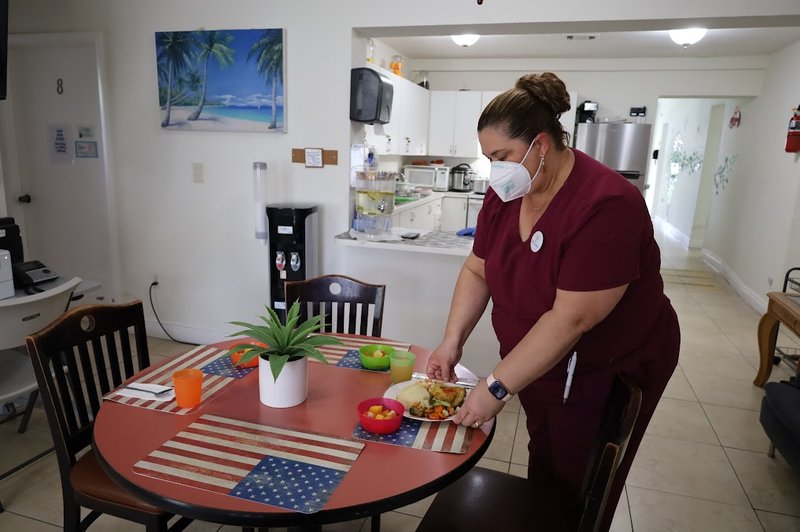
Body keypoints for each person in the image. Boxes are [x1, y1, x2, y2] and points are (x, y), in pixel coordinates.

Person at [426, 72, 680, 531]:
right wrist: (451, 342)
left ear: (541, 144)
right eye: (489, 159)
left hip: (607, 363)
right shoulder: (507, 194)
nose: (494, 170)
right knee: (545, 455)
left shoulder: (608, 205)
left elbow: (571, 319)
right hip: (542, 359)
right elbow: (477, 269)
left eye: (501, 157)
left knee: (579, 477)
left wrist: (495, 387)